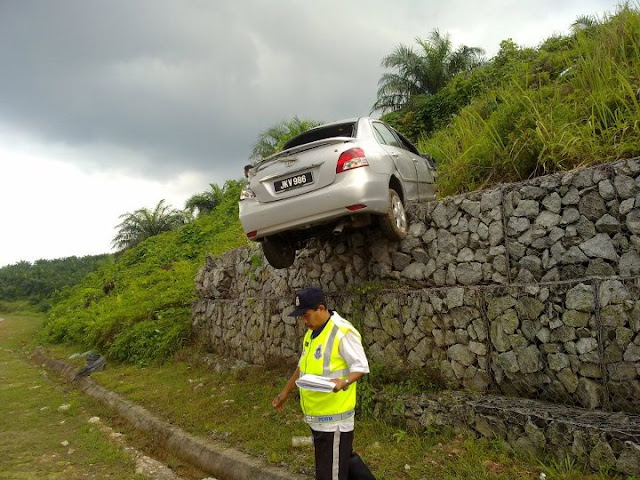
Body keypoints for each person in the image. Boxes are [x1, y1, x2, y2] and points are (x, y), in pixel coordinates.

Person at [272, 287, 376, 480]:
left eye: (306, 315)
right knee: (344, 459)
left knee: (329, 473)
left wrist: (342, 382)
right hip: (319, 418)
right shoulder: (311, 334)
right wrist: (284, 393)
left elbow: (361, 366)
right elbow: (301, 368)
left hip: (334, 420)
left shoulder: (342, 331)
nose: (304, 321)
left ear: (321, 308)